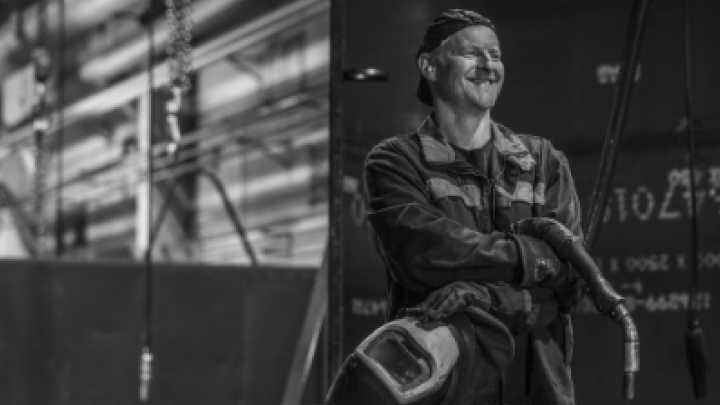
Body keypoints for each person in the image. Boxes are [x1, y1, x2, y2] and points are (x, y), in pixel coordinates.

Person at [362, 9, 586, 405]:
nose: (487, 65)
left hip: (539, 394)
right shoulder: (395, 162)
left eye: (495, 55)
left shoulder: (544, 162)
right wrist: (534, 259)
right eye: (472, 54)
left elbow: (572, 276)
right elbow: (426, 257)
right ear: (429, 65)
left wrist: (484, 296)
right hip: (446, 393)